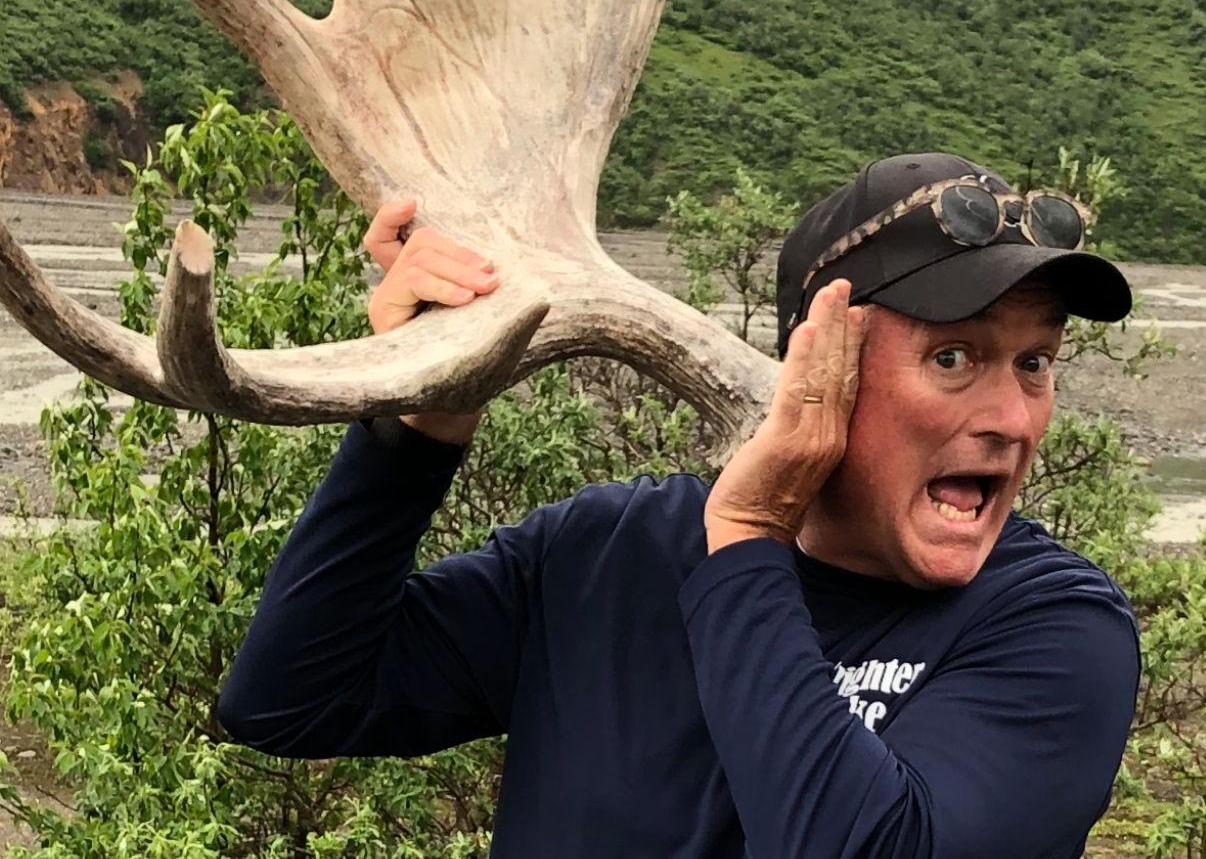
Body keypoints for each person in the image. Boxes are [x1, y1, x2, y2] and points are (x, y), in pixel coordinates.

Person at [218, 151, 1141, 858]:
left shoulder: (1053, 627)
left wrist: (747, 539)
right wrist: (420, 420)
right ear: (818, 364)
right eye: (954, 358)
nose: (1013, 418)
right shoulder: (613, 553)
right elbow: (291, 701)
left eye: (1034, 362)